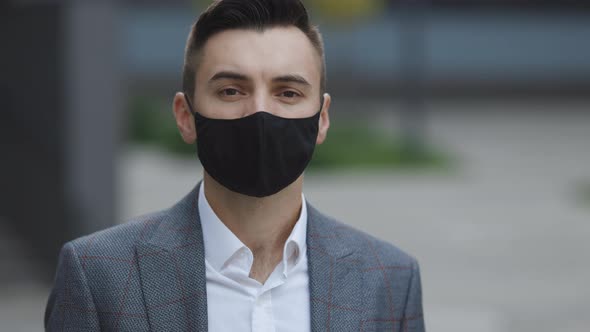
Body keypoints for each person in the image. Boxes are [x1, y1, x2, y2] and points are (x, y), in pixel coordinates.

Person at [44, 0, 425, 331]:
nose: (259, 111)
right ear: (185, 115)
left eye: (287, 92)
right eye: (231, 90)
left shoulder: (389, 281)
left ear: (322, 118)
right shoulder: (98, 275)